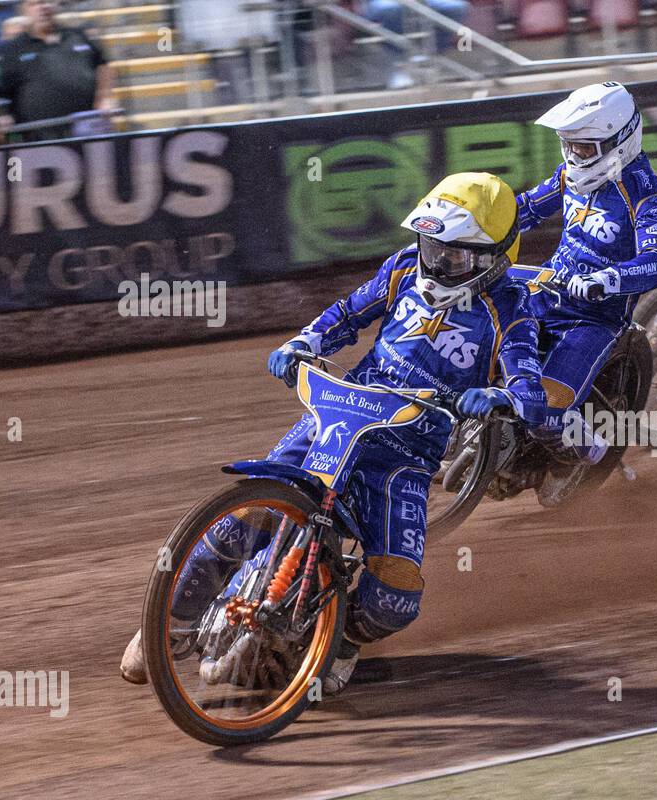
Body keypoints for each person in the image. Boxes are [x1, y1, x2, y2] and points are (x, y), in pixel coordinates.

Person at [121, 172, 547, 695]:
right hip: (341, 413)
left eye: (453, 256)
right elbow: (348, 312)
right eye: (430, 246)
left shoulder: (512, 309)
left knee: (395, 600)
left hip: (404, 454)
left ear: (492, 258)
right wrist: (304, 340)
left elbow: (530, 385)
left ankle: (340, 640)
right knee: (246, 517)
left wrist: (502, 397)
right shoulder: (402, 270)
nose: (435, 263)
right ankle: (164, 625)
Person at [514, 80, 657, 505]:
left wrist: (608, 279)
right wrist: (472, 227)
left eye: (584, 148)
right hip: (545, 290)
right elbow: (527, 208)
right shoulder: (569, 175)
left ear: (619, 141)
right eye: (569, 145)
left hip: (595, 319)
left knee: (548, 407)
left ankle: (584, 457)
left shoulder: (646, 194)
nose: (573, 156)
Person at [0, 0, 115, 131]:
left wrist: (105, 97)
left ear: (57, 4)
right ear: (24, 10)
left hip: (88, 127)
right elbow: (4, 92)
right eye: (35, 4)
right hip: (41, 135)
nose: (43, 8)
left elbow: (102, 64)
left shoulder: (78, 35)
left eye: (48, 1)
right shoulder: (14, 48)